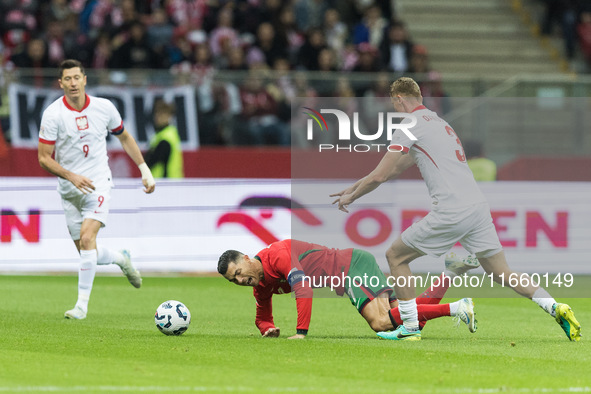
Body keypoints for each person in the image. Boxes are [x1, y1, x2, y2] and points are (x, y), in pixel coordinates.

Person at [331, 77, 581, 341]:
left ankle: (410, 327)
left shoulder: (409, 124)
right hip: (477, 207)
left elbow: (381, 176)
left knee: (396, 256)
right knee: (501, 272)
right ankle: (554, 306)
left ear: (399, 99)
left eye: (394, 104)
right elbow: (393, 168)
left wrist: (352, 197)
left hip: (452, 209)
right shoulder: (439, 123)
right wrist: (354, 187)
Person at [38, 59, 156, 320]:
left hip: (98, 183)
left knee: (88, 239)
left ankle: (81, 306)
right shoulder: (53, 114)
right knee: (86, 252)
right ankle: (120, 258)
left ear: (85, 79)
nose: (72, 83)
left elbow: (124, 136)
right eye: (67, 79)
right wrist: (71, 176)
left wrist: (143, 168)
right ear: (60, 83)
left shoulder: (104, 108)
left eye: (76, 77)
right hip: (69, 189)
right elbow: (44, 158)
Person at [217, 239, 480, 340]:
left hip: (349, 268)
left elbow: (303, 289)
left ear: (247, 259)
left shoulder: (278, 255)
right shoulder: (261, 285)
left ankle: (456, 308)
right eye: (233, 280)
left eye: (238, 273)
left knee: (380, 323)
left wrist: (301, 333)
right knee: (404, 319)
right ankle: (451, 273)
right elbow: (262, 316)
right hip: (354, 263)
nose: (239, 280)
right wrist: (268, 329)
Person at [145, 100, 184, 178]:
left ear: (169, 116)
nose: (158, 117)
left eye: (162, 114)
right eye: (157, 113)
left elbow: (150, 161)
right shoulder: (170, 133)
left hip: (165, 183)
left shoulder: (165, 139)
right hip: (172, 182)